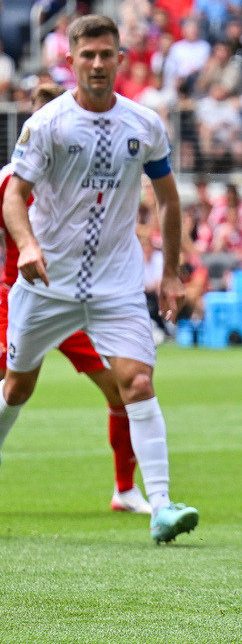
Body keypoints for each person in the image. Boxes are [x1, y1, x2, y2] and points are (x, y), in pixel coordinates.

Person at [0, 15, 199, 543]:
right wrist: (26, 246)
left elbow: (169, 197)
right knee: (17, 387)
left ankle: (160, 504)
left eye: (105, 54)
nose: (96, 64)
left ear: (120, 59)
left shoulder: (144, 124)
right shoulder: (46, 125)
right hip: (47, 284)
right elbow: (14, 196)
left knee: (135, 381)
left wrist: (173, 275)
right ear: (70, 61)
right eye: (86, 55)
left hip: (116, 287)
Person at [0, 83, 149, 515]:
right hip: (21, 302)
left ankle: (125, 490)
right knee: (14, 390)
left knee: (121, 391)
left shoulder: (89, 178)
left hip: (80, 303)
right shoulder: (12, 180)